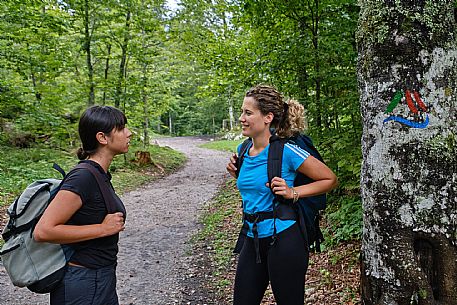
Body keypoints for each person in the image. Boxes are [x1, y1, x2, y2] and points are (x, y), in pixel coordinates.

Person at [226, 85, 338, 305]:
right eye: (242, 112)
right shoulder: (242, 150)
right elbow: (257, 190)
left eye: (248, 113)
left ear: (268, 117)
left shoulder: (287, 150)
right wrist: (235, 173)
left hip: (284, 239)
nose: (242, 118)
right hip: (252, 237)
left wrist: (293, 192)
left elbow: (329, 179)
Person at [34, 105, 132, 305]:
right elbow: (43, 231)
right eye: (121, 128)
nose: (129, 133)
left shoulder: (99, 174)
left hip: (99, 278)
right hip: (83, 283)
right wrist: (102, 229)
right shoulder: (83, 177)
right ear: (102, 138)